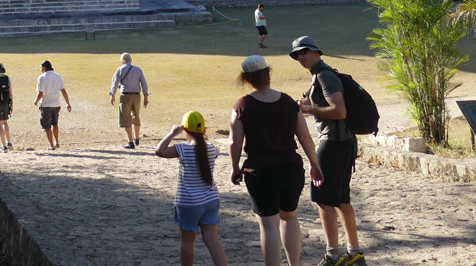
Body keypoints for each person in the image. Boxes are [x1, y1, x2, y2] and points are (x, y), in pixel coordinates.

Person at [230, 54, 324, 266]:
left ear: (246, 79)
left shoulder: (242, 105)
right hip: (291, 168)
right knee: (290, 217)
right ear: (268, 73)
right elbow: (305, 137)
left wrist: (235, 167)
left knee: (269, 226)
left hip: (260, 171)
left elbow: (234, 143)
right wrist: (314, 164)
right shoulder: (288, 102)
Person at [290, 36, 363, 266]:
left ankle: (333, 255)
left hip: (333, 145)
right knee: (341, 200)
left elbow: (339, 111)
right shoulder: (321, 74)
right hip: (344, 143)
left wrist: (309, 109)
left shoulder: (324, 75)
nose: (300, 57)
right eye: (296, 54)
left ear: (316, 52)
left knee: (324, 201)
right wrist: (308, 105)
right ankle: (354, 253)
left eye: (304, 52)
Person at [155, 112, 228, 266]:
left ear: (185, 131)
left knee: (188, 242)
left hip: (188, 202)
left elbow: (159, 151)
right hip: (211, 200)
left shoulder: (182, 149)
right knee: (212, 240)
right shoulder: (212, 149)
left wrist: (173, 133)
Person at [109, 52, 150, 148]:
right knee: (136, 116)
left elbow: (115, 83)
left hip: (125, 96)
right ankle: (137, 139)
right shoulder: (138, 70)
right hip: (137, 96)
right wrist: (146, 97)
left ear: (122, 61)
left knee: (126, 117)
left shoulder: (120, 69)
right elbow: (144, 84)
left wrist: (112, 95)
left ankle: (130, 142)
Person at [34, 60, 71, 150]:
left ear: (44, 67)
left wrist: (36, 101)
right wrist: (68, 103)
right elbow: (63, 90)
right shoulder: (58, 76)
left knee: (47, 126)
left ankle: (51, 145)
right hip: (56, 104)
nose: (40, 69)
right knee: (55, 124)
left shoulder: (42, 77)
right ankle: (56, 142)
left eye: (40, 68)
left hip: (46, 104)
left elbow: (41, 93)